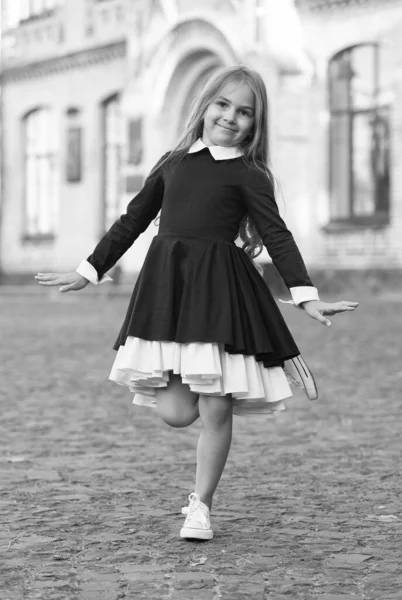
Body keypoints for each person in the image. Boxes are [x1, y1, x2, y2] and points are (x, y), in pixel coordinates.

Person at [35, 65, 358, 541]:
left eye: (244, 112)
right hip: (169, 292)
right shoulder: (173, 162)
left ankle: (200, 507)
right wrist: (89, 270)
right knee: (175, 412)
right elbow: (132, 221)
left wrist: (306, 296)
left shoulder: (250, 174)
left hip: (221, 294)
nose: (230, 117)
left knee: (216, 409)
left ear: (255, 124)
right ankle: (197, 434)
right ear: (205, 105)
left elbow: (278, 236)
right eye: (223, 105)